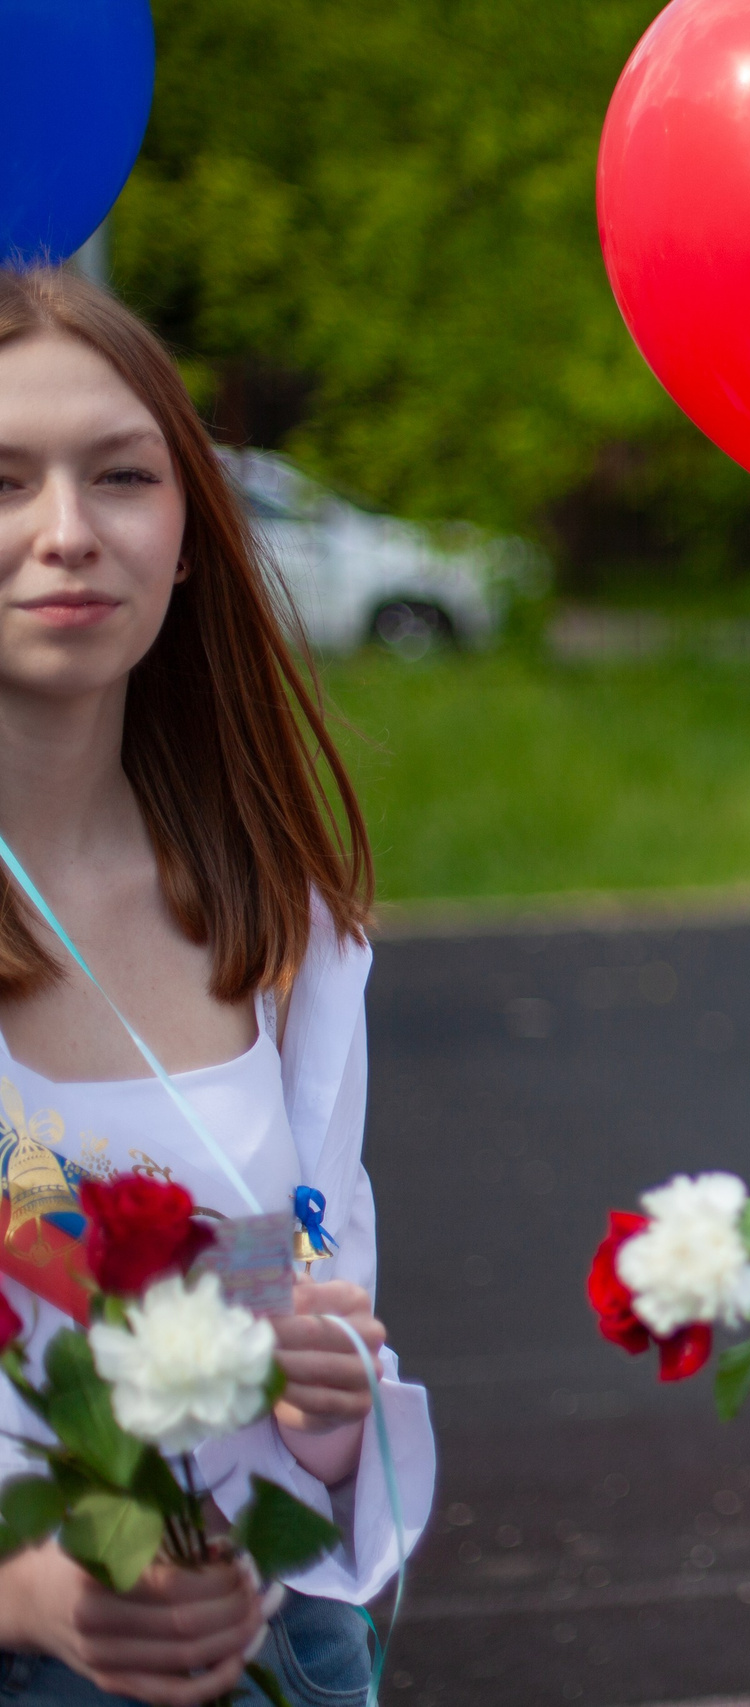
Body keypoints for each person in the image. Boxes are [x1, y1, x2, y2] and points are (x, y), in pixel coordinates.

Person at [0, 267, 432, 1705]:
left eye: (122, 475)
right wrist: (35, 1595)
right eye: (3, 481)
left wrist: (326, 1405)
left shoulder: (284, 920)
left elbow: (298, 1268)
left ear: (188, 534)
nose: (67, 534)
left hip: (280, 1648)